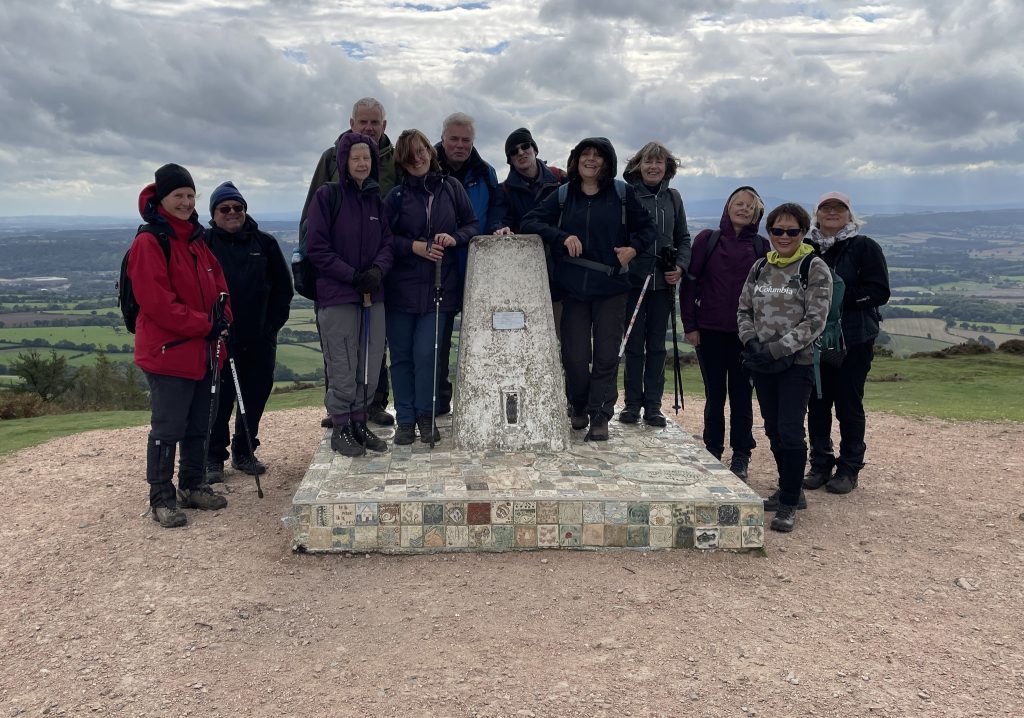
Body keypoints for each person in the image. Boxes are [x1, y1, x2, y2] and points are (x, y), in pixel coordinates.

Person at [521, 137, 656, 441]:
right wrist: (561, 236)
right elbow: (529, 221)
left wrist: (633, 249)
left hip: (612, 286)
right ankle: (578, 404)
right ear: (576, 159)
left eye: (598, 156)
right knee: (574, 355)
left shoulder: (623, 194)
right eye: (586, 154)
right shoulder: (563, 195)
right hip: (574, 289)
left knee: (607, 353)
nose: (591, 160)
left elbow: (648, 230)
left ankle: (600, 415)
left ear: (607, 162)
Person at [127, 164, 230, 528]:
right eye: (178, 196)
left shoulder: (196, 240)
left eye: (190, 196)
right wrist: (207, 324)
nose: (186, 202)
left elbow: (219, 286)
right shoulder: (149, 242)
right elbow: (157, 303)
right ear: (162, 199)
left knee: (200, 422)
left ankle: (192, 484)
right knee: (168, 427)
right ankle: (161, 497)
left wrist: (223, 317)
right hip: (168, 352)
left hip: (202, 351)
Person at [300, 97, 395, 427]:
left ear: (385, 125)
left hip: (378, 280)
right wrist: (322, 272)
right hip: (338, 283)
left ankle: (367, 410)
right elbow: (313, 230)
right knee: (341, 354)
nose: (369, 127)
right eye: (363, 122)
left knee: (370, 353)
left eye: (375, 122)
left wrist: (380, 269)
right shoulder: (330, 168)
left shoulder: (391, 165)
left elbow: (387, 234)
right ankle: (342, 417)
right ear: (352, 123)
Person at [737, 203, 832, 532]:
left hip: (796, 363)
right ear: (769, 232)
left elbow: (815, 321)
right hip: (762, 361)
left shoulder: (814, 268)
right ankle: (786, 489)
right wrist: (751, 343)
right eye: (778, 230)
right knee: (774, 429)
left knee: (790, 431)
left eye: (792, 231)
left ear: (803, 232)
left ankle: (790, 501)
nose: (785, 236)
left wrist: (776, 349)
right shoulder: (760, 266)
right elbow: (744, 309)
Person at [383, 129, 479, 445]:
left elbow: (471, 225)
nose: (419, 157)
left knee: (428, 354)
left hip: (440, 286)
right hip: (401, 289)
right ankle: (406, 420)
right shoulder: (395, 197)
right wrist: (413, 246)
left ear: (429, 151)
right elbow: (384, 240)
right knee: (401, 356)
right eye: (411, 154)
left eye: (422, 149)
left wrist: (455, 238)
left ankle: (426, 416)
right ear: (403, 161)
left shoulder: (451, 188)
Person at [204, 182, 293, 481]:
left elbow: (283, 289)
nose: (232, 213)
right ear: (214, 214)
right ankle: (213, 457)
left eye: (237, 208)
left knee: (254, 397)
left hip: (259, 339)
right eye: (224, 209)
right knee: (218, 399)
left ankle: (245, 450)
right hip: (219, 339)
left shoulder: (264, 243)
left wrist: (271, 328)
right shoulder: (203, 245)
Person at [804, 191, 890, 494]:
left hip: (854, 340)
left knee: (848, 404)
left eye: (838, 208)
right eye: (825, 208)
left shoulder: (864, 247)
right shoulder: (807, 247)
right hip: (814, 340)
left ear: (849, 214)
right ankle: (820, 464)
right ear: (817, 214)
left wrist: (837, 301)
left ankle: (850, 467)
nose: (831, 212)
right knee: (817, 403)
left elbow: (879, 291)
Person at [680, 186, 767, 479]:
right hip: (710, 331)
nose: (743, 209)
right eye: (738, 203)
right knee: (714, 395)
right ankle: (713, 450)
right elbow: (690, 285)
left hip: (747, 335)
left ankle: (741, 455)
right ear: (728, 208)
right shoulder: (708, 240)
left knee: (742, 396)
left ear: (757, 213)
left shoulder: (761, 246)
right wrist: (690, 326)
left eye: (749, 206)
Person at [433, 112, 507, 414]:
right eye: (454, 139)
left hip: (477, 268)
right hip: (438, 266)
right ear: (443, 138)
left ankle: (482, 402)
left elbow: (496, 210)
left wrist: (501, 224)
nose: (460, 145)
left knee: (483, 339)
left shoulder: (486, 172)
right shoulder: (427, 166)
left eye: (466, 140)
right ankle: (437, 401)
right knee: (437, 340)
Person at [619, 141, 692, 427]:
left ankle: (653, 406)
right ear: (638, 165)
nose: (653, 167)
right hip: (633, 281)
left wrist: (680, 267)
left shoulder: (673, 198)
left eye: (658, 163)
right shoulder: (626, 196)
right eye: (648, 162)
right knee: (634, 345)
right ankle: (631, 406)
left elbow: (683, 238)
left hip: (663, 283)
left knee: (657, 347)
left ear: (667, 168)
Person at [497, 127, 568, 330]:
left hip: (563, 268)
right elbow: (499, 219)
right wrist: (501, 228)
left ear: (535, 149)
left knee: (568, 339)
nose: (520, 152)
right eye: (513, 151)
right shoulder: (504, 190)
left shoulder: (560, 179)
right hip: (526, 273)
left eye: (525, 146)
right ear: (509, 160)